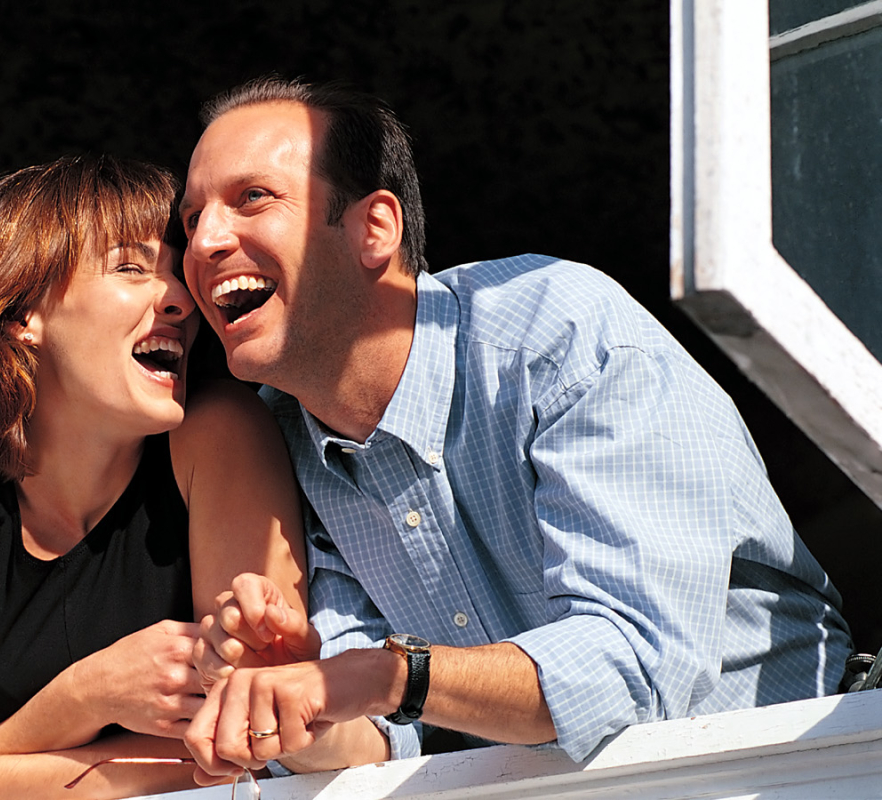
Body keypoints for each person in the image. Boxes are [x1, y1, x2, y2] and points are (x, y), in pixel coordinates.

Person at [177, 77, 853, 780]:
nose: (205, 242)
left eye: (252, 198)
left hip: (813, 767)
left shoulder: (557, 333)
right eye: (191, 220)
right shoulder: (280, 438)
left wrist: (390, 675)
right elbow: (383, 743)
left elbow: (634, 663)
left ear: (374, 228)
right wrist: (293, 710)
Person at [0, 155, 308, 800]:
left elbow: (251, 741)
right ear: (20, 316)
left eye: (176, 274)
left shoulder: (218, 433)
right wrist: (88, 694)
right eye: (131, 269)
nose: (182, 299)